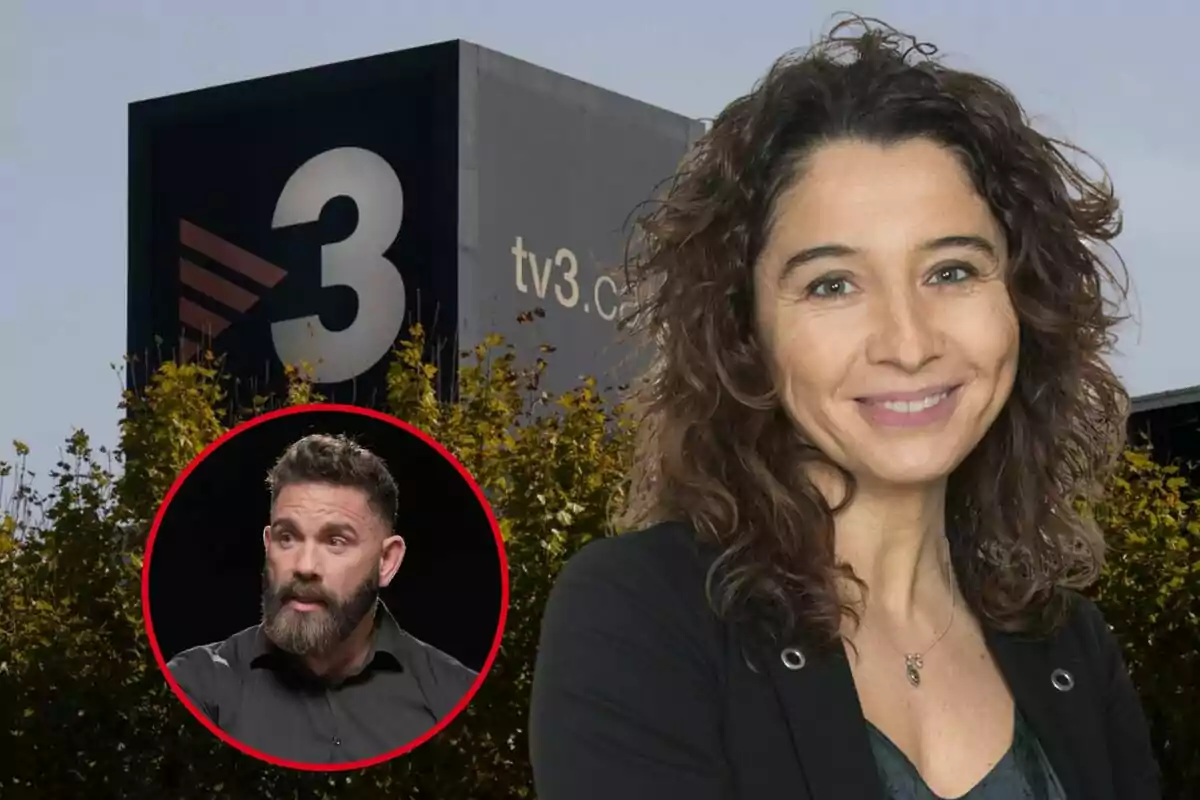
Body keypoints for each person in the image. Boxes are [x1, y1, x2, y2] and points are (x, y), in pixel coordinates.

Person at [528, 17, 1161, 800]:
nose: (907, 341)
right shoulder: (642, 615)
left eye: (954, 271)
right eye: (832, 283)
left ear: (1024, 305)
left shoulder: (1069, 647)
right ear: (745, 334)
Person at [166, 433, 476, 765]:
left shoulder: (453, 695)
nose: (304, 567)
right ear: (268, 545)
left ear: (386, 561)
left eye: (336, 541)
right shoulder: (196, 687)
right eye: (288, 538)